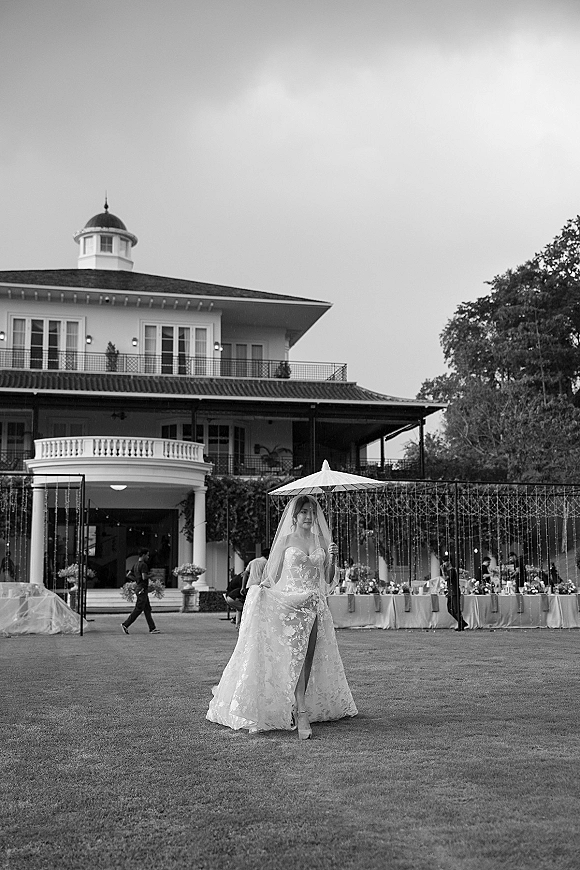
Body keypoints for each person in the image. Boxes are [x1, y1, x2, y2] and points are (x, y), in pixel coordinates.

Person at [207, 495, 357, 738]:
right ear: (295, 516)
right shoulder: (286, 541)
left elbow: (328, 579)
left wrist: (333, 558)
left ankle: (297, 706)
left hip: (314, 605)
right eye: (304, 512)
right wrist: (260, 592)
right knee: (292, 658)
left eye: (312, 512)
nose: (309, 516)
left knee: (308, 657)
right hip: (289, 605)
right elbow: (272, 577)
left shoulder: (323, 542)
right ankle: (301, 712)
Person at [121, 548, 160, 634]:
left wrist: (137, 580)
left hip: (139, 587)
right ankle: (125, 624)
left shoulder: (135, 565)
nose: (148, 557)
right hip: (142, 589)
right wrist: (151, 575)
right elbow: (144, 577)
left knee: (147, 609)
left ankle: (152, 628)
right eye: (147, 555)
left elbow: (128, 575)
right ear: (143, 555)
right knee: (139, 609)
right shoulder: (143, 565)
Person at [442, 557, 468, 631]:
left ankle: (461, 625)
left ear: (448, 562)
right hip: (450, 592)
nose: (444, 564)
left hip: (454, 592)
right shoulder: (449, 570)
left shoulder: (452, 570)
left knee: (456, 609)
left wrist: (442, 571)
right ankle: (462, 623)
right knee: (450, 609)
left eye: (445, 562)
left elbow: (446, 578)